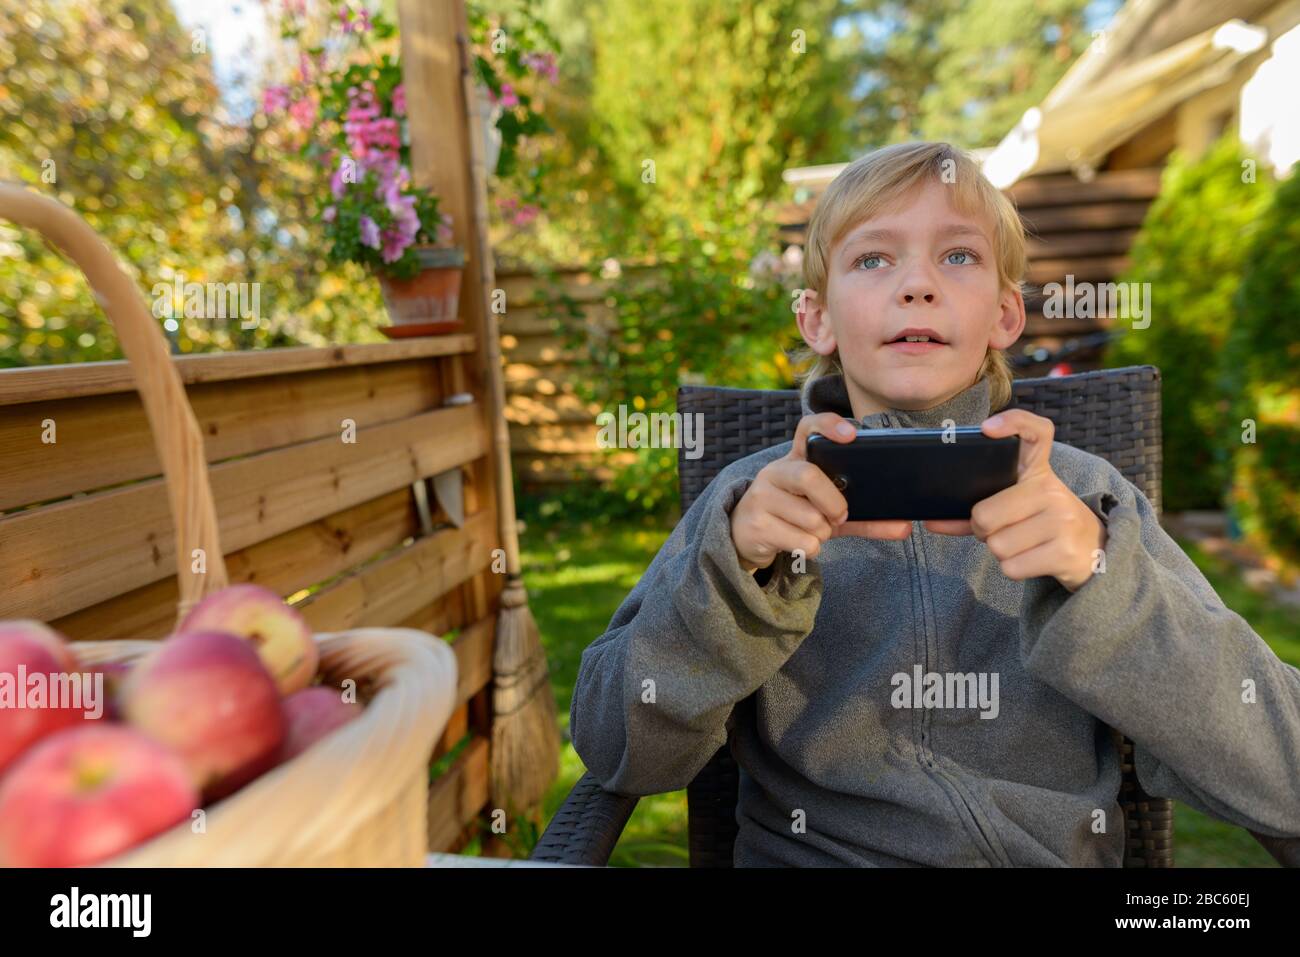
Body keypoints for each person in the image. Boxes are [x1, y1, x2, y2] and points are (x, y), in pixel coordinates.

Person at [569, 141, 1300, 866]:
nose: (917, 284)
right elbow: (617, 749)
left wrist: (1105, 582)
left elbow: (1281, 771)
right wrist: (731, 577)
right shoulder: (751, 505)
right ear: (816, 319)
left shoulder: (1085, 499)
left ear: (1005, 315)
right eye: (873, 259)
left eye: (957, 256)